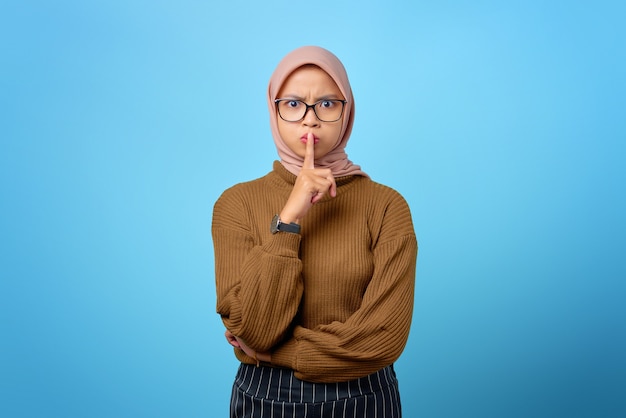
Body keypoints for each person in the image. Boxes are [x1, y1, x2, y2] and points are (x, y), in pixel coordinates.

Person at [212, 45, 418, 417]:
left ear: (347, 110)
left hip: (363, 396)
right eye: (293, 104)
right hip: (265, 398)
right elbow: (254, 330)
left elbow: (383, 339)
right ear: (273, 111)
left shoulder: (387, 207)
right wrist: (290, 216)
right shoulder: (236, 204)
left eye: (326, 104)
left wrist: (276, 353)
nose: (310, 119)